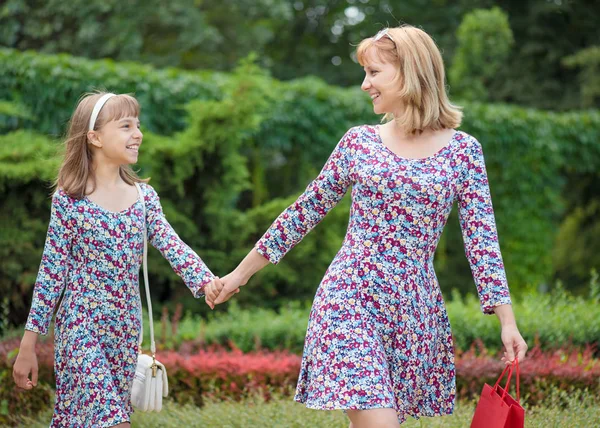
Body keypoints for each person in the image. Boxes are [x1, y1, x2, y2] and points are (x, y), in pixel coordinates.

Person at [205, 25, 528, 427]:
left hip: (413, 310)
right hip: (349, 298)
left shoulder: (464, 151)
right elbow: (302, 213)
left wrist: (507, 323)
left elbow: (482, 242)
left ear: (410, 72)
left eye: (374, 73)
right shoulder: (359, 142)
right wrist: (239, 274)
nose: (364, 84)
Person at [12, 92, 223, 427]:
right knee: (114, 421)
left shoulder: (144, 198)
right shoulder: (70, 200)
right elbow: (52, 273)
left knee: (80, 420)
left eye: (137, 125)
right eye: (125, 126)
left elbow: (173, 245)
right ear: (94, 137)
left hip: (125, 331)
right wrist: (28, 345)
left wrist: (207, 281)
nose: (137, 133)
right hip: (80, 326)